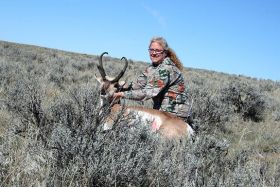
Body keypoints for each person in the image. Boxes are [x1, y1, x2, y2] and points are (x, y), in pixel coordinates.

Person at [113, 36, 192, 121]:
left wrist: (122, 94)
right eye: (151, 50)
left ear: (165, 53)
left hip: (175, 116)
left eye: (157, 50)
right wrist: (118, 86)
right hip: (162, 113)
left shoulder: (166, 69)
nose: (153, 53)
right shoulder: (152, 68)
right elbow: (137, 85)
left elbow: (149, 92)